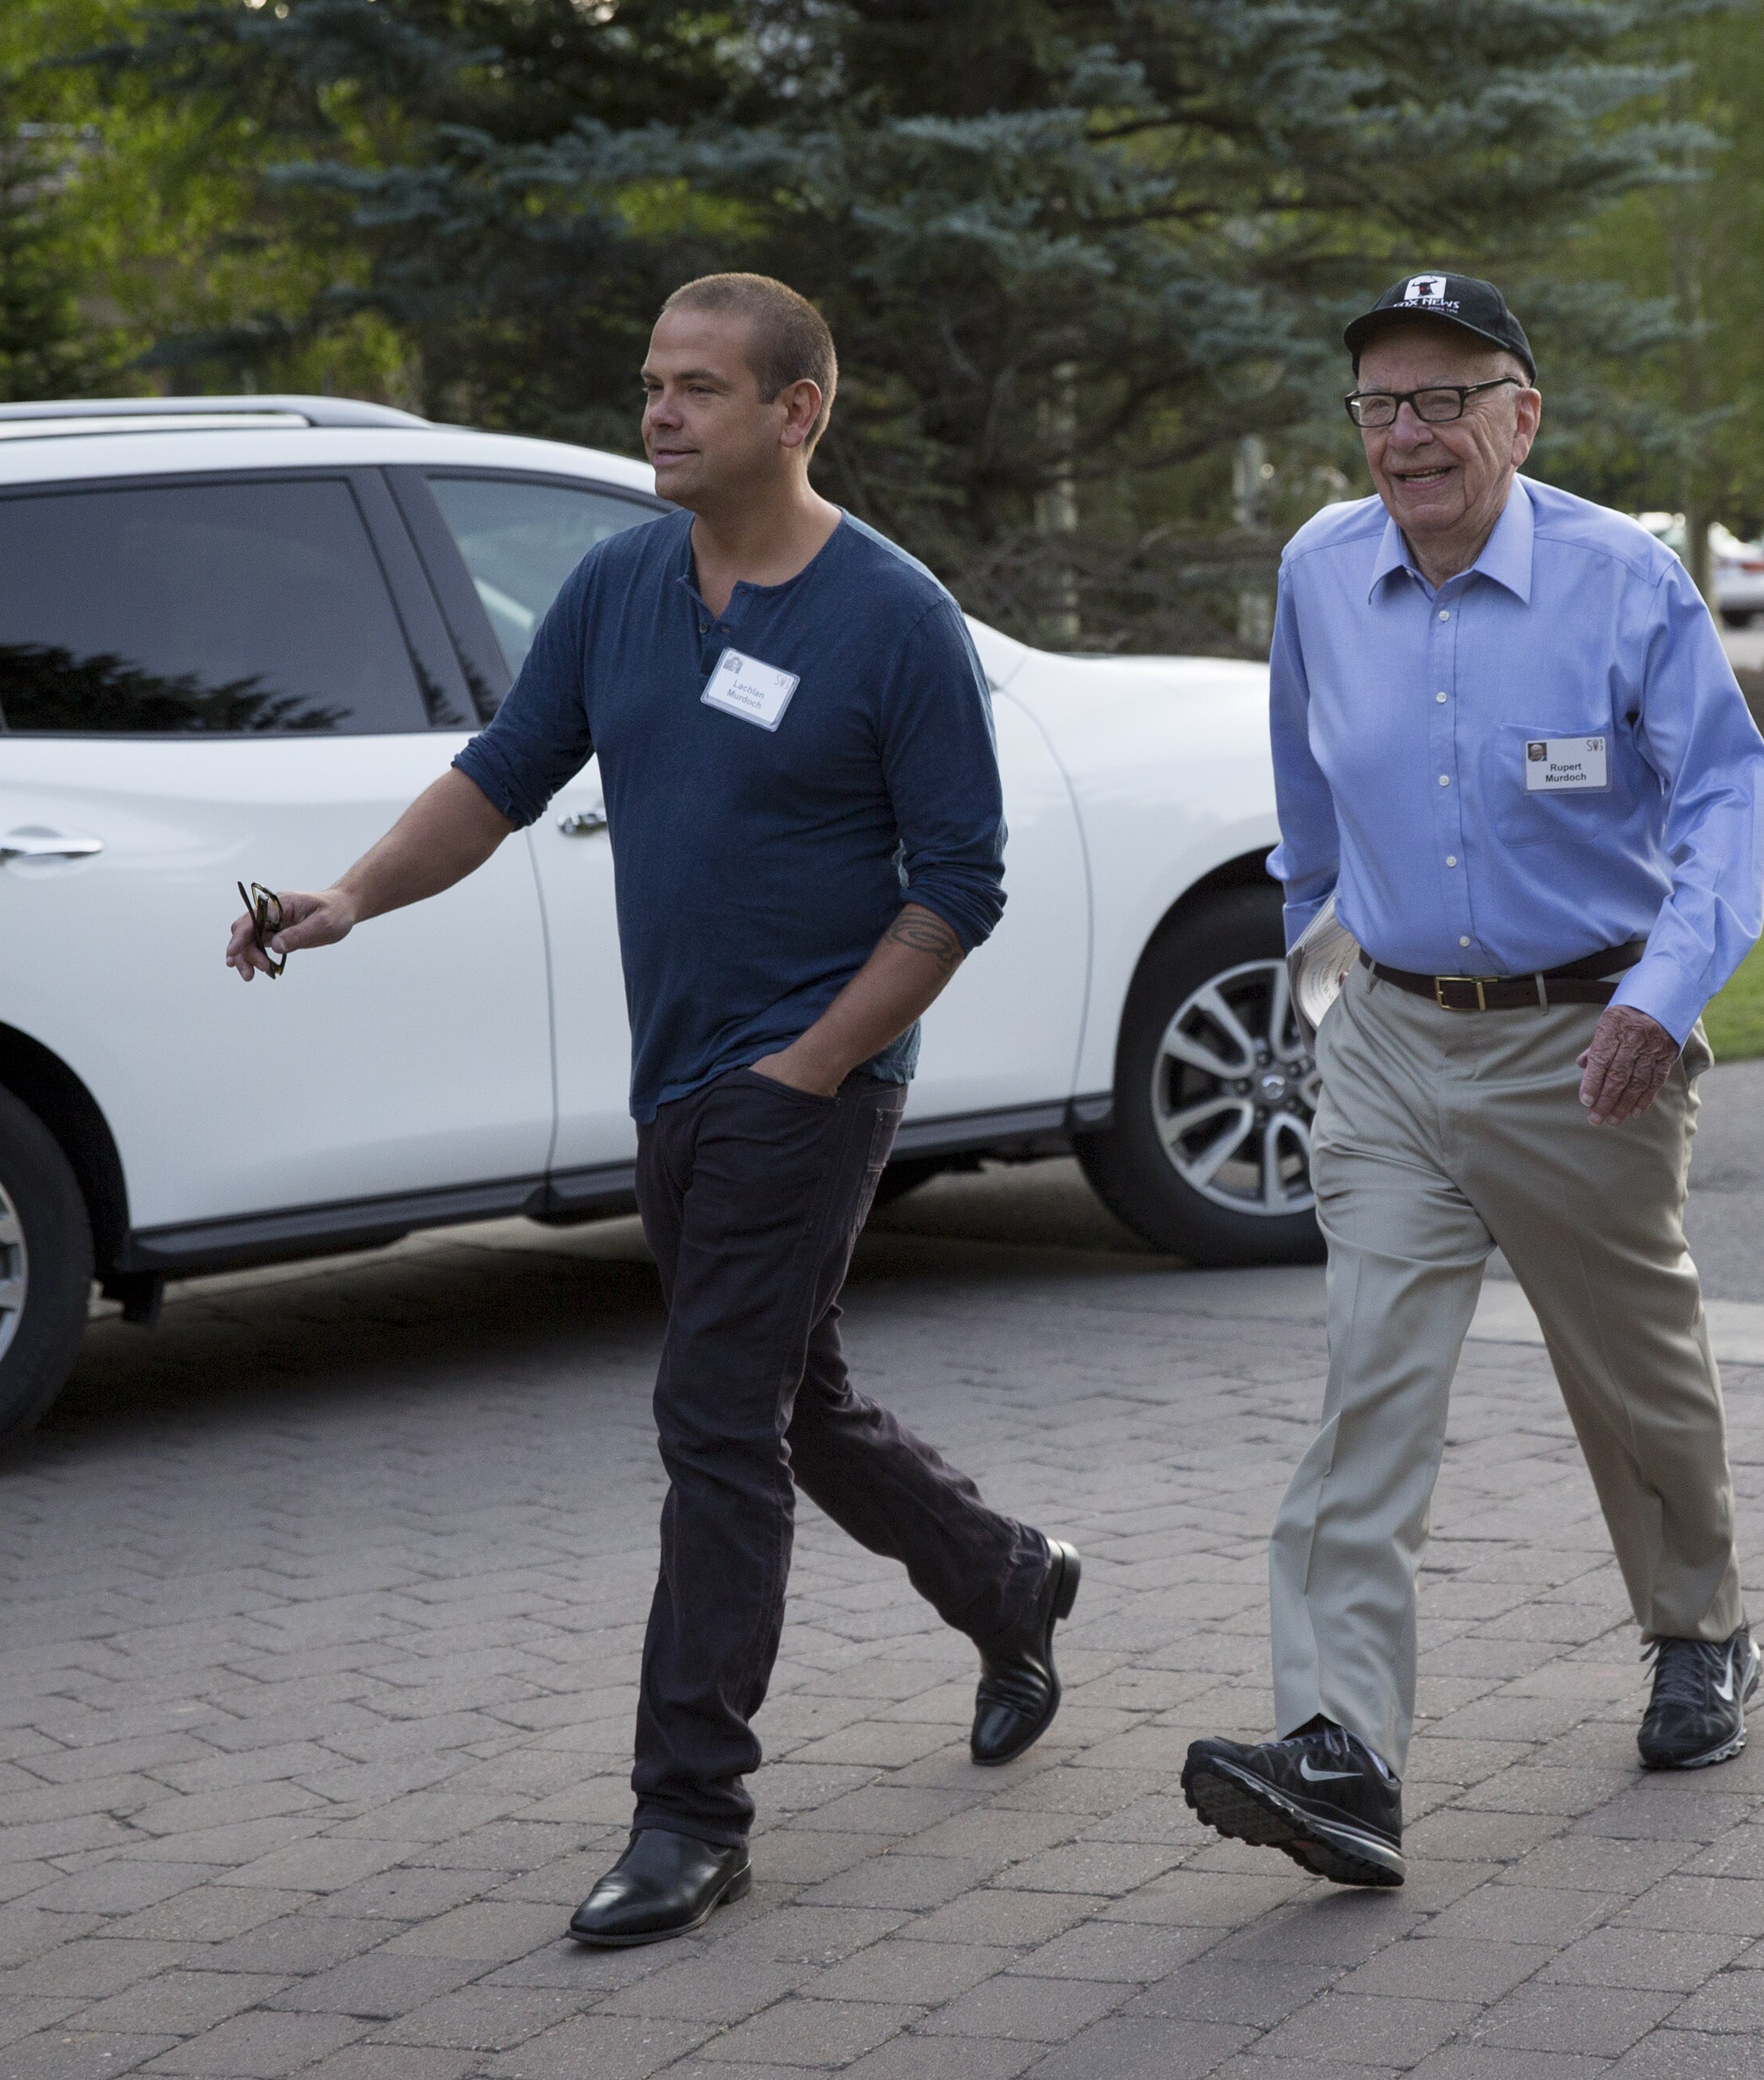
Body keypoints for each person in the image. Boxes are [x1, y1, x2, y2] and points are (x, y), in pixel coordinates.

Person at [222, 273, 1080, 1949]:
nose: (660, 413)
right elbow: (501, 773)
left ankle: (690, 1811)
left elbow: (959, 884)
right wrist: (343, 901)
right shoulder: (619, 585)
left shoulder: (891, 615)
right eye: (651, 383)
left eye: (697, 387)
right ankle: (1005, 1580)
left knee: (712, 1428)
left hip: (801, 1084)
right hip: (678, 1075)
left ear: (795, 411)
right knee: (789, 1395)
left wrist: (818, 1064)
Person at [1180, 272, 1764, 1888]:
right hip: (1385, 1044)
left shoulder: (1620, 581)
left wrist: (1662, 996)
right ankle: (1339, 1751)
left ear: (1522, 412)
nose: (1408, 433)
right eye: (1379, 402)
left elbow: (1724, 796)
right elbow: (1303, 796)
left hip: (1588, 1044)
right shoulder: (1318, 568)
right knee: (1368, 1387)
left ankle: (1696, 1627)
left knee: (1629, 1372)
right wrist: (1319, 972)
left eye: (1447, 397)